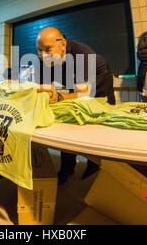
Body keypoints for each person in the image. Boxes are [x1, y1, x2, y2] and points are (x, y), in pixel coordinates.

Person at [35, 26, 115, 185]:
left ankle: (94, 165)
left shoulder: (82, 55)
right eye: (39, 51)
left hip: (98, 83)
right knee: (66, 120)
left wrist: (56, 95)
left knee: (95, 122)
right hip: (73, 83)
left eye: (47, 49)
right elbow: (45, 85)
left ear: (63, 44)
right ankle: (67, 167)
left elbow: (84, 95)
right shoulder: (45, 58)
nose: (43, 56)